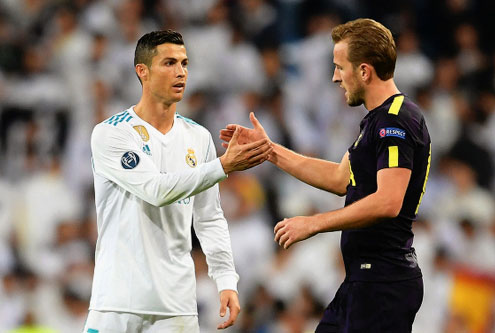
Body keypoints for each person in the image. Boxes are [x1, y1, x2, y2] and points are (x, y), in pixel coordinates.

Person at [220, 18, 431, 332]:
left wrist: (314, 223)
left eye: (339, 66)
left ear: (364, 71)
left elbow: (389, 201)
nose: (335, 77)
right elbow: (338, 178)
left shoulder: (395, 121)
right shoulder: (376, 120)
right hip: (362, 281)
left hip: (383, 283)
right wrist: (270, 150)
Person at [84, 30, 272, 333]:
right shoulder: (111, 133)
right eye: (169, 63)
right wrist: (223, 165)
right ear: (142, 72)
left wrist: (226, 279)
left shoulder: (197, 137)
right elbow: (155, 191)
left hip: (177, 308)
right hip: (117, 303)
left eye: (184, 63)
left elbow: (209, 218)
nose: (181, 72)